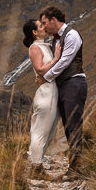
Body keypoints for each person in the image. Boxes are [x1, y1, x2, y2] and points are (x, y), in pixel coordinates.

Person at [37, 6, 86, 176]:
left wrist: (45, 77)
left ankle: (77, 167)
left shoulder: (71, 35)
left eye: (45, 23)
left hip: (74, 83)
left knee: (73, 124)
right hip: (64, 85)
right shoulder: (57, 40)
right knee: (67, 125)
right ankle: (74, 165)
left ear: (53, 20)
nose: (43, 28)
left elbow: (64, 62)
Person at [23, 18, 61, 171]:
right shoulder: (34, 48)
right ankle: (36, 167)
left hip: (52, 91)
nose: (44, 27)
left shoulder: (43, 46)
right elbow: (39, 69)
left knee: (49, 130)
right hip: (46, 93)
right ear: (34, 32)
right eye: (40, 25)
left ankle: (36, 163)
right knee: (41, 130)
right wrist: (56, 58)